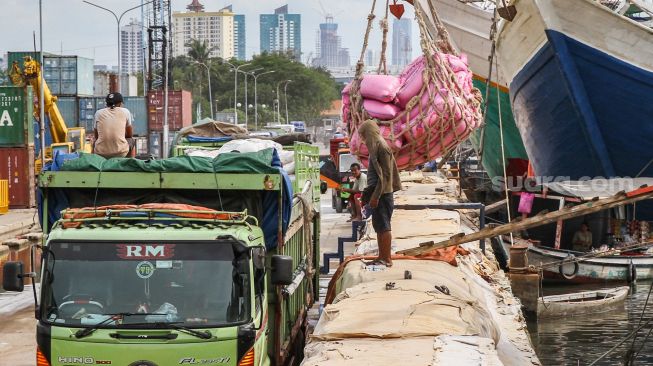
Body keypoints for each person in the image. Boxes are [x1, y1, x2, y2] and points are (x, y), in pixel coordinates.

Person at [358, 120, 402, 267]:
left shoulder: (382, 147)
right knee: (378, 225)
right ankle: (381, 256)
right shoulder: (376, 147)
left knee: (384, 226)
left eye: (363, 135)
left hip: (383, 194)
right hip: (378, 193)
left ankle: (387, 258)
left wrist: (375, 196)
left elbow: (385, 176)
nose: (363, 139)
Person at [93, 92, 133, 159]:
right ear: (120, 103)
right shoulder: (125, 111)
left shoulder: (98, 113)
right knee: (131, 140)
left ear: (106, 103)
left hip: (100, 153)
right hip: (121, 153)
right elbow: (129, 135)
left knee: (95, 142)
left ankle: (95, 163)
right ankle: (130, 163)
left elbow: (97, 136)